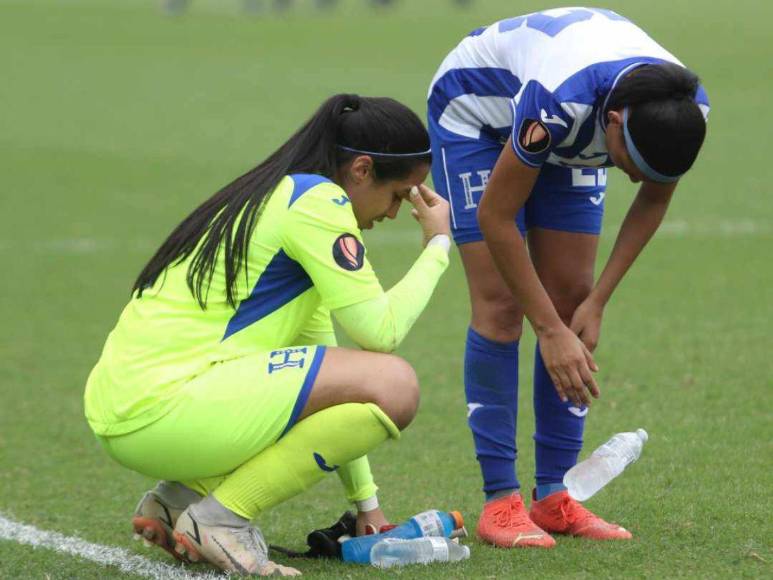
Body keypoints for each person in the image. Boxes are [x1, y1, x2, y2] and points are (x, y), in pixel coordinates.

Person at [84, 94, 451, 576]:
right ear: (361, 170)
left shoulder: (275, 194)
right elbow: (379, 335)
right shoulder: (321, 203)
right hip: (163, 408)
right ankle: (221, 518)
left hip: (128, 411)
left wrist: (368, 507)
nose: (396, 212)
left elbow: (334, 377)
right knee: (398, 384)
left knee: (363, 382)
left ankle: (180, 499)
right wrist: (439, 245)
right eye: (401, 195)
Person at [427, 7, 709, 548]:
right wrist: (549, 331)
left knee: (572, 298)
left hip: (576, 127)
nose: (631, 175)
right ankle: (501, 500)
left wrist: (598, 301)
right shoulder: (558, 102)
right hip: (477, 114)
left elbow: (655, 192)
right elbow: (496, 216)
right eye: (631, 161)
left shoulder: (684, 110)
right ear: (616, 123)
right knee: (503, 305)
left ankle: (556, 498)